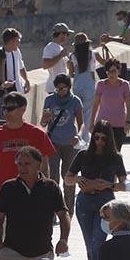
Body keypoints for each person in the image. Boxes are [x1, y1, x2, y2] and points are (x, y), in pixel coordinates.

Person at [66, 121, 128, 260]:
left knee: (97, 244)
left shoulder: (115, 158)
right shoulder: (83, 155)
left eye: (103, 139)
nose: (99, 142)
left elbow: (125, 184)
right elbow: (68, 178)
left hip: (105, 203)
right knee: (90, 247)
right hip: (85, 203)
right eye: (97, 138)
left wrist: (109, 185)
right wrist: (79, 180)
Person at [0, 92, 56, 202]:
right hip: (4, 194)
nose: (6, 112)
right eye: (4, 108)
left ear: (23, 109)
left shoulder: (37, 134)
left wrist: (44, 191)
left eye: (10, 108)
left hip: (31, 193)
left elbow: (44, 165)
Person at [40, 75, 84, 212]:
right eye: (58, 89)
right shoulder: (50, 100)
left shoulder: (75, 101)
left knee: (68, 176)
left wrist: (78, 136)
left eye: (63, 88)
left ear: (68, 87)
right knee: (53, 176)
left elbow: (81, 123)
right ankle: (53, 209)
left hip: (70, 143)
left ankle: (68, 209)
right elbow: (43, 123)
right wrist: (45, 119)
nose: (60, 91)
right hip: (53, 142)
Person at [89, 60, 130, 151]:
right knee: (101, 151)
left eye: (113, 71)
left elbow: (128, 105)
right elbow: (95, 104)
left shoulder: (125, 85)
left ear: (119, 72)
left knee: (115, 151)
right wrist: (91, 123)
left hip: (119, 125)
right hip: (103, 125)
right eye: (108, 71)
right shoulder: (101, 84)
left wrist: (127, 122)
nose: (111, 74)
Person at [68, 34, 102, 141]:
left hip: (77, 86)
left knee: (78, 114)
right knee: (88, 115)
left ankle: (78, 136)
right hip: (89, 86)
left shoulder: (72, 56)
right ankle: (85, 138)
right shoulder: (92, 54)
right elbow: (93, 72)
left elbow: (71, 74)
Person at [38, 24, 73, 125]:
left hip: (63, 88)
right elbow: (45, 65)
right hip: (53, 89)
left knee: (63, 118)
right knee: (53, 118)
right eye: (67, 34)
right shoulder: (50, 48)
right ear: (61, 34)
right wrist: (61, 55)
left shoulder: (59, 48)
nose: (67, 37)